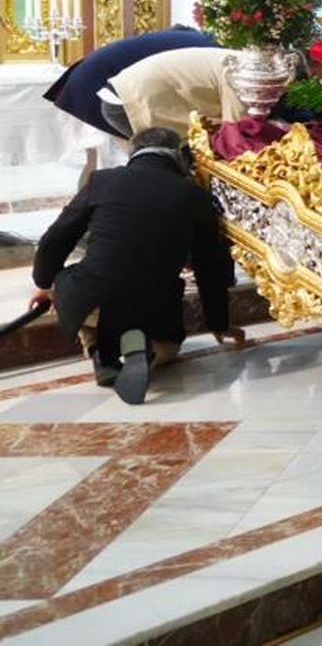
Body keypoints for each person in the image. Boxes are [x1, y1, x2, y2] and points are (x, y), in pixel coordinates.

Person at [28, 127, 243, 404]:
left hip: (94, 300)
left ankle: (100, 354)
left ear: (133, 153)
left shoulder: (102, 181)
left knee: (74, 280)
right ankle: (151, 350)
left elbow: (55, 240)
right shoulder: (195, 197)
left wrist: (45, 284)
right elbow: (210, 267)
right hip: (154, 307)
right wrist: (219, 323)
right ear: (178, 157)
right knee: (170, 347)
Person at [44, 26, 217, 139]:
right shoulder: (216, 57)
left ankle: (96, 191)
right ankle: (105, 191)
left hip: (89, 76)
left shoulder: (198, 41)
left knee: (107, 156)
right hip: (98, 84)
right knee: (134, 153)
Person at [103, 45, 248, 135]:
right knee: (165, 158)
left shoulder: (243, 61)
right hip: (133, 99)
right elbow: (236, 134)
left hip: (124, 90)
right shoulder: (247, 74)